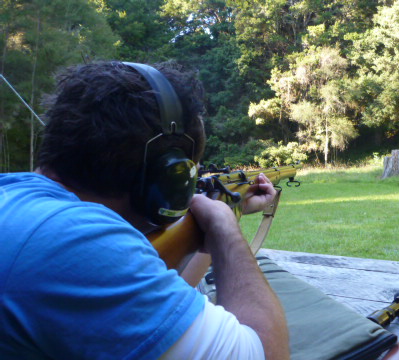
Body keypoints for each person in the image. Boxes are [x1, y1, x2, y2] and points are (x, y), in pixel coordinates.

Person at [0, 61, 289, 359]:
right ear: (169, 179)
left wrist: (218, 218)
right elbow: (268, 353)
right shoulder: (73, 242)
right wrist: (226, 229)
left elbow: (163, 308)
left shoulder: (18, 202)